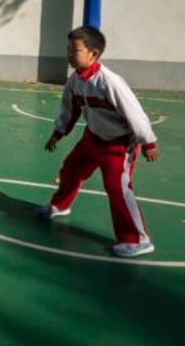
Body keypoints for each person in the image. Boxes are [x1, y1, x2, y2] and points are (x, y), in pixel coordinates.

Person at [38, 26, 160, 258]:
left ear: (93, 54)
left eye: (75, 50)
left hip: (119, 144)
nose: (69, 54)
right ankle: (61, 205)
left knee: (118, 188)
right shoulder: (75, 80)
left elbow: (134, 113)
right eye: (68, 50)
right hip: (92, 138)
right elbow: (69, 109)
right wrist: (58, 132)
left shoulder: (109, 82)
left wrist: (149, 142)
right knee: (71, 170)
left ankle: (137, 240)